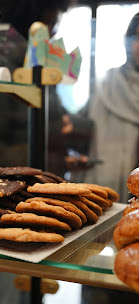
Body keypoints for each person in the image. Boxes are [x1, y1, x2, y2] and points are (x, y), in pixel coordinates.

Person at [83, 12, 139, 204]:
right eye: (138, 37)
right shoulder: (108, 83)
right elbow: (84, 125)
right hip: (110, 180)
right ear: (128, 41)